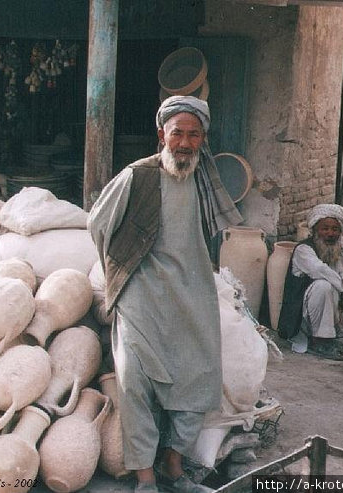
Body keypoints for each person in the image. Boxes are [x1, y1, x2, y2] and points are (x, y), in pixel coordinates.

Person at [88, 95, 242, 493]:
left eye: (194, 135)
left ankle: (173, 467)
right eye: (178, 133)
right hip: (141, 297)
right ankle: (144, 479)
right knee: (134, 384)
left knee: (200, 378)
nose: (185, 143)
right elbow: (98, 225)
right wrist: (122, 268)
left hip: (191, 295)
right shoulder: (137, 177)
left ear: (203, 140)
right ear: (162, 135)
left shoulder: (206, 181)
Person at [278, 204, 343, 361]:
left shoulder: (340, 250)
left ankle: (327, 341)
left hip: (337, 318)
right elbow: (320, 270)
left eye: (335, 229)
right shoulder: (304, 250)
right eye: (325, 228)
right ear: (315, 230)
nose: (330, 233)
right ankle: (319, 338)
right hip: (305, 320)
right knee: (323, 285)